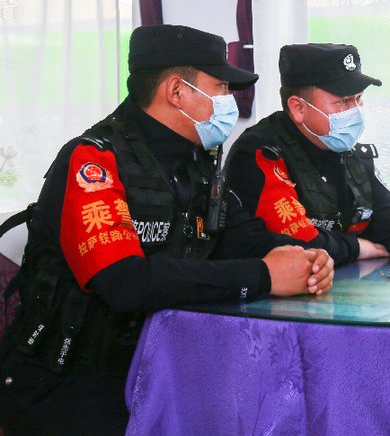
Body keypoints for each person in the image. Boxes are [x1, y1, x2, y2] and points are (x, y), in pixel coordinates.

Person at [0, 25, 334, 435]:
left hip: (160, 367)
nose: (229, 101)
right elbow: (124, 282)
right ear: (176, 91)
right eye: (221, 87)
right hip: (68, 384)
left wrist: (305, 259)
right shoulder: (93, 160)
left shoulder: (195, 163)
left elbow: (240, 236)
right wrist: (264, 275)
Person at [225, 43, 390, 266]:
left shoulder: (344, 147)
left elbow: (386, 212)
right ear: (298, 108)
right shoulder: (260, 153)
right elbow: (298, 239)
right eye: (343, 101)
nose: (355, 111)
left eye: (358, 98)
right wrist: (357, 248)